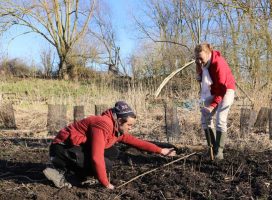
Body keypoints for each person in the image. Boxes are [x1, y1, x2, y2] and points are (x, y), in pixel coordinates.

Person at [43, 101, 176, 189]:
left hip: (73, 148)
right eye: (129, 125)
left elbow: (137, 142)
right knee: (106, 164)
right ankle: (63, 175)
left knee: (112, 152)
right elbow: (96, 157)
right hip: (61, 149)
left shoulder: (116, 128)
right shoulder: (103, 124)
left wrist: (161, 151)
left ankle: (78, 174)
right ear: (119, 120)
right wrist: (105, 183)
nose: (130, 128)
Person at [194, 43, 236, 160]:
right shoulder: (202, 63)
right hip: (212, 91)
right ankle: (212, 148)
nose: (199, 61)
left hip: (226, 90)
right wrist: (199, 72)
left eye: (201, 58)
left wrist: (212, 106)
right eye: (196, 58)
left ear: (209, 53)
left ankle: (219, 152)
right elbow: (203, 78)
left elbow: (221, 89)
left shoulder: (218, 64)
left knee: (220, 119)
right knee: (204, 116)